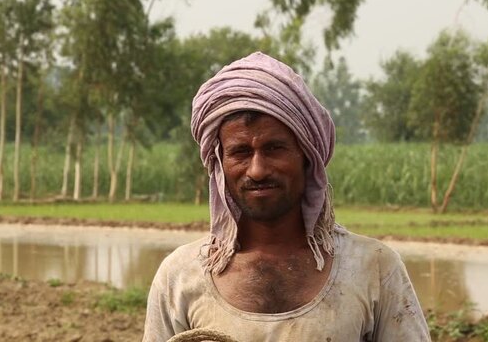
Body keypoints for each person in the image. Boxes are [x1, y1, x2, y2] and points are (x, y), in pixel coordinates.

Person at [143, 52, 431, 341]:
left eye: (274, 149)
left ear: (307, 157)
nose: (257, 170)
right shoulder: (180, 276)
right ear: (219, 164)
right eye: (240, 152)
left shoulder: (374, 268)